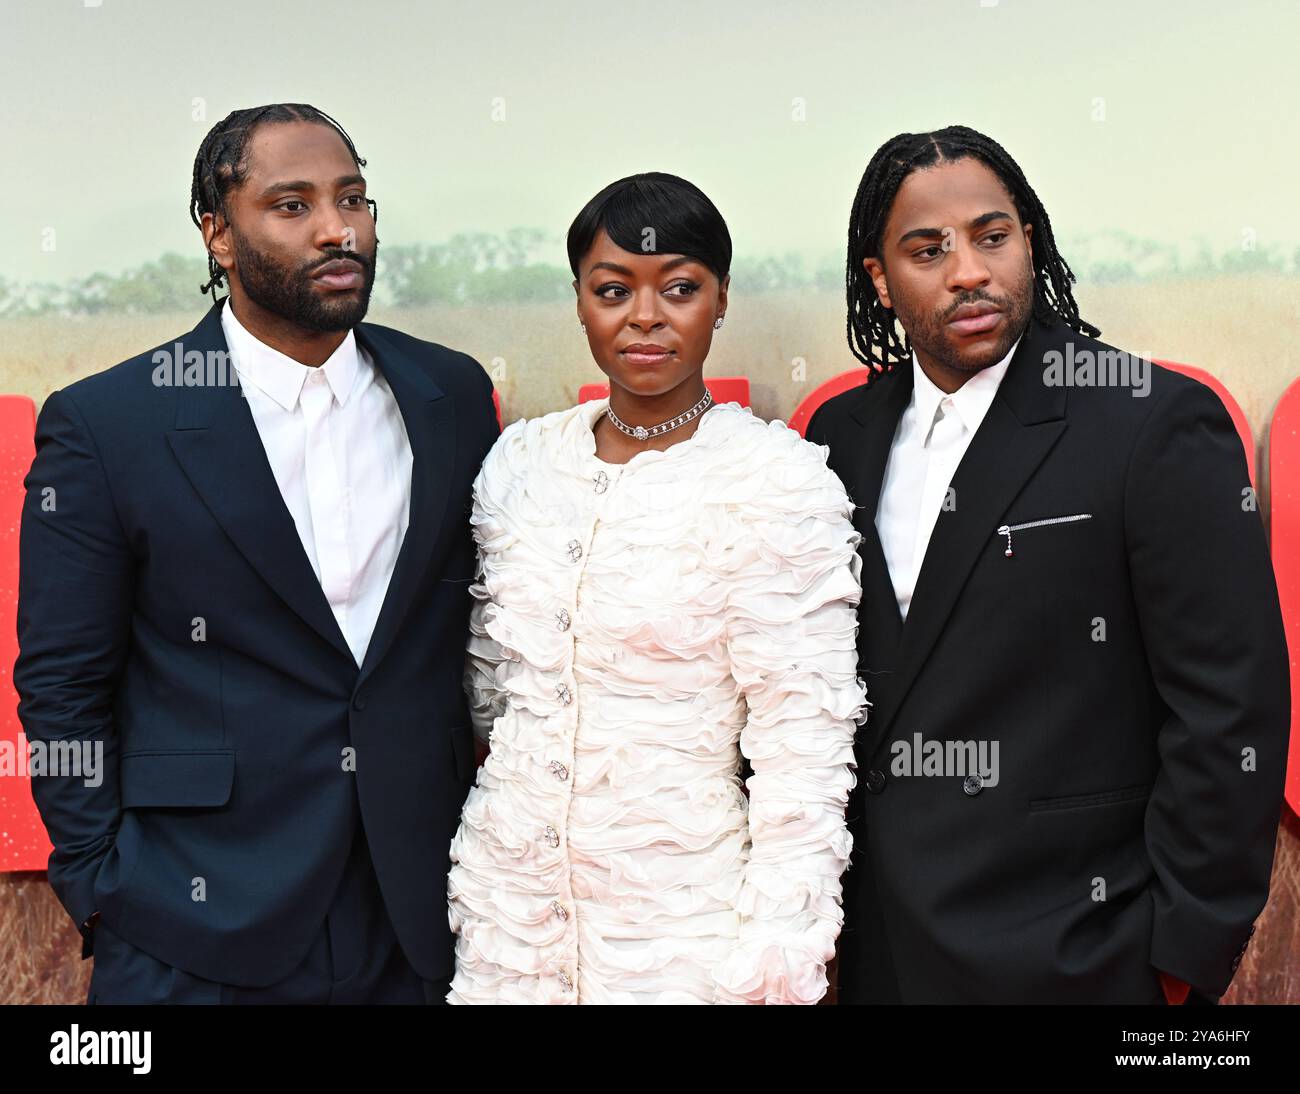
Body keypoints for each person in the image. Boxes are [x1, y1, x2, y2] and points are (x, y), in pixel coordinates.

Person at [14, 103, 498, 1003]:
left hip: (417, 913)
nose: (336, 228)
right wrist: (98, 882)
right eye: (291, 205)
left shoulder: (450, 394)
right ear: (218, 235)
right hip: (193, 924)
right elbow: (60, 686)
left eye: (353, 198)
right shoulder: (112, 423)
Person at [808, 124, 1290, 1004]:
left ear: (1029, 240)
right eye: (927, 250)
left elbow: (1229, 705)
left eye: (992, 236)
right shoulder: (838, 438)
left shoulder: (1149, 422)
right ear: (879, 281)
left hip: (1080, 954)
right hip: (883, 955)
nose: (968, 271)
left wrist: (1181, 959)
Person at [445, 172, 868, 1004]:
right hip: (511, 911)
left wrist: (782, 948)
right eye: (613, 290)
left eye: (679, 288)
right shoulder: (521, 466)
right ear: (578, 301)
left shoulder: (774, 480)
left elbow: (802, 744)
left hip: (683, 923)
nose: (645, 317)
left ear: (720, 301)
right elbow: (492, 690)